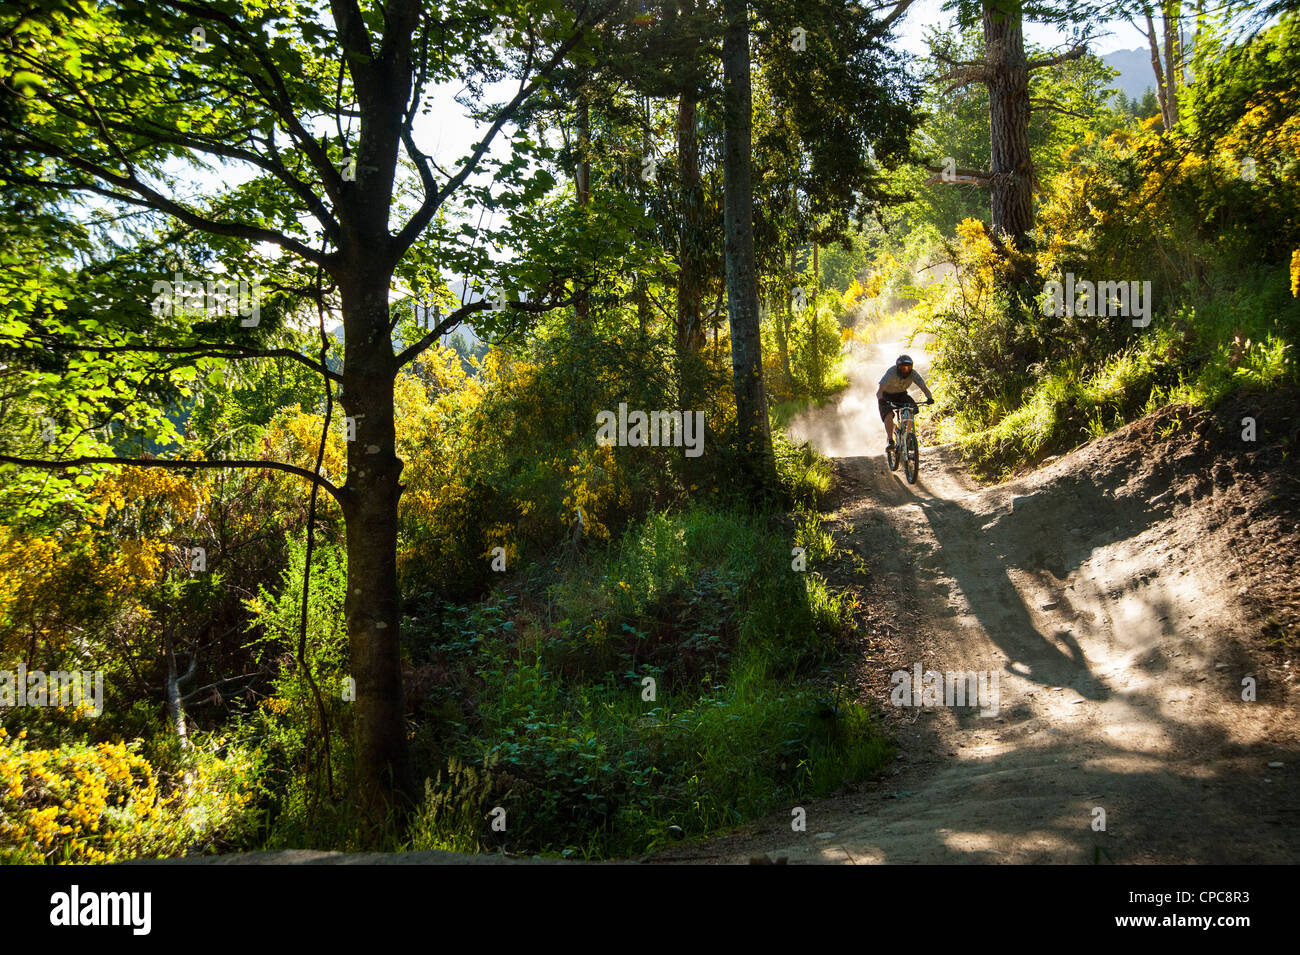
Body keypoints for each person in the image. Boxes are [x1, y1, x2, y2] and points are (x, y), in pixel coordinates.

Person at [876, 354, 933, 453]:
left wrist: (929, 398)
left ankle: (907, 438)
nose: (905, 370)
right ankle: (890, 441)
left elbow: (924, 387)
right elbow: (880, 390)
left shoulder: (913, 374)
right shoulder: (891, 372)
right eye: (903, 368)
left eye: (908, 368)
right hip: (886, 396)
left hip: (902, 395)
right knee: (888, 414)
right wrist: (881, 400)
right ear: (898, 367)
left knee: (911, 409)